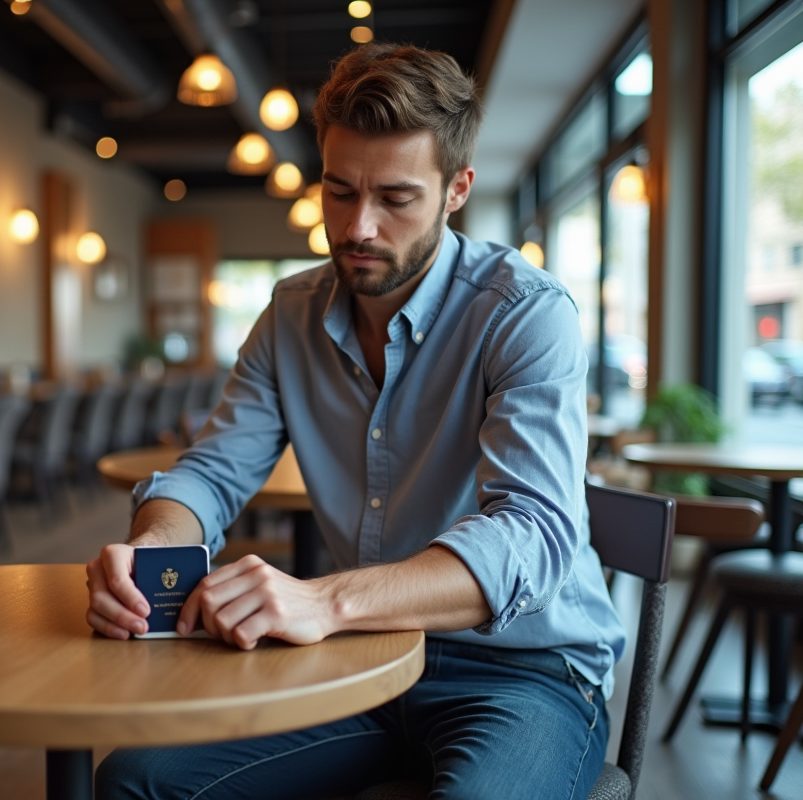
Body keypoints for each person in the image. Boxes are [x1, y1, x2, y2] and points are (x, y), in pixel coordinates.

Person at [88, 42, 624, 800]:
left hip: (522, 670)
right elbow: (210, 472)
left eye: (396, 199)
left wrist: (325, 600)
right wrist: (154, 550)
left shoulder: (525, 314)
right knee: (136, 782)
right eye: (339, 192)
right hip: (360, 657)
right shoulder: (289, 315)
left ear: (457, 190)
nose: (358, 227)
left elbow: (532, 534)